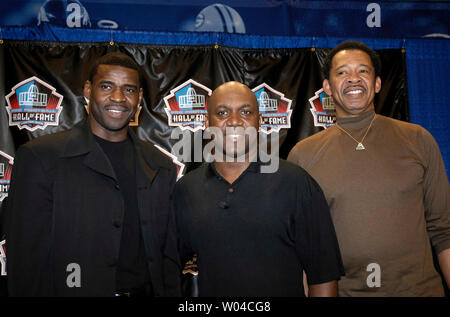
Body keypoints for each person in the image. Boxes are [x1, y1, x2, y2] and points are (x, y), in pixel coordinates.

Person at [5, 52, 181, 296]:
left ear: (139, 97)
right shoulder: (41, 158)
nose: (118, 98)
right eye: (107, 86)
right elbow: (25, 259)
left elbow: (167, 256)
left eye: (129, 90)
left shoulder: (160, 164)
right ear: (88, 90)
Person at [288, 41, 450, 296]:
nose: (353, 79)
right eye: (342, 72)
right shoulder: (303, 155)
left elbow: (444, 231)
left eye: (363, 71)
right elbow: (304, 250)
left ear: (376, 83)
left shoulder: (418, 139)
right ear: (327, 87)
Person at [173, 81, 345, 297]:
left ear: (259, 121)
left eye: (245, 112)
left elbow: (323, 277)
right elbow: (166, 267)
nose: (235, 121)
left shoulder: (297, 184)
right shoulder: (187, 190)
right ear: (208, 122)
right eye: (222, 112)